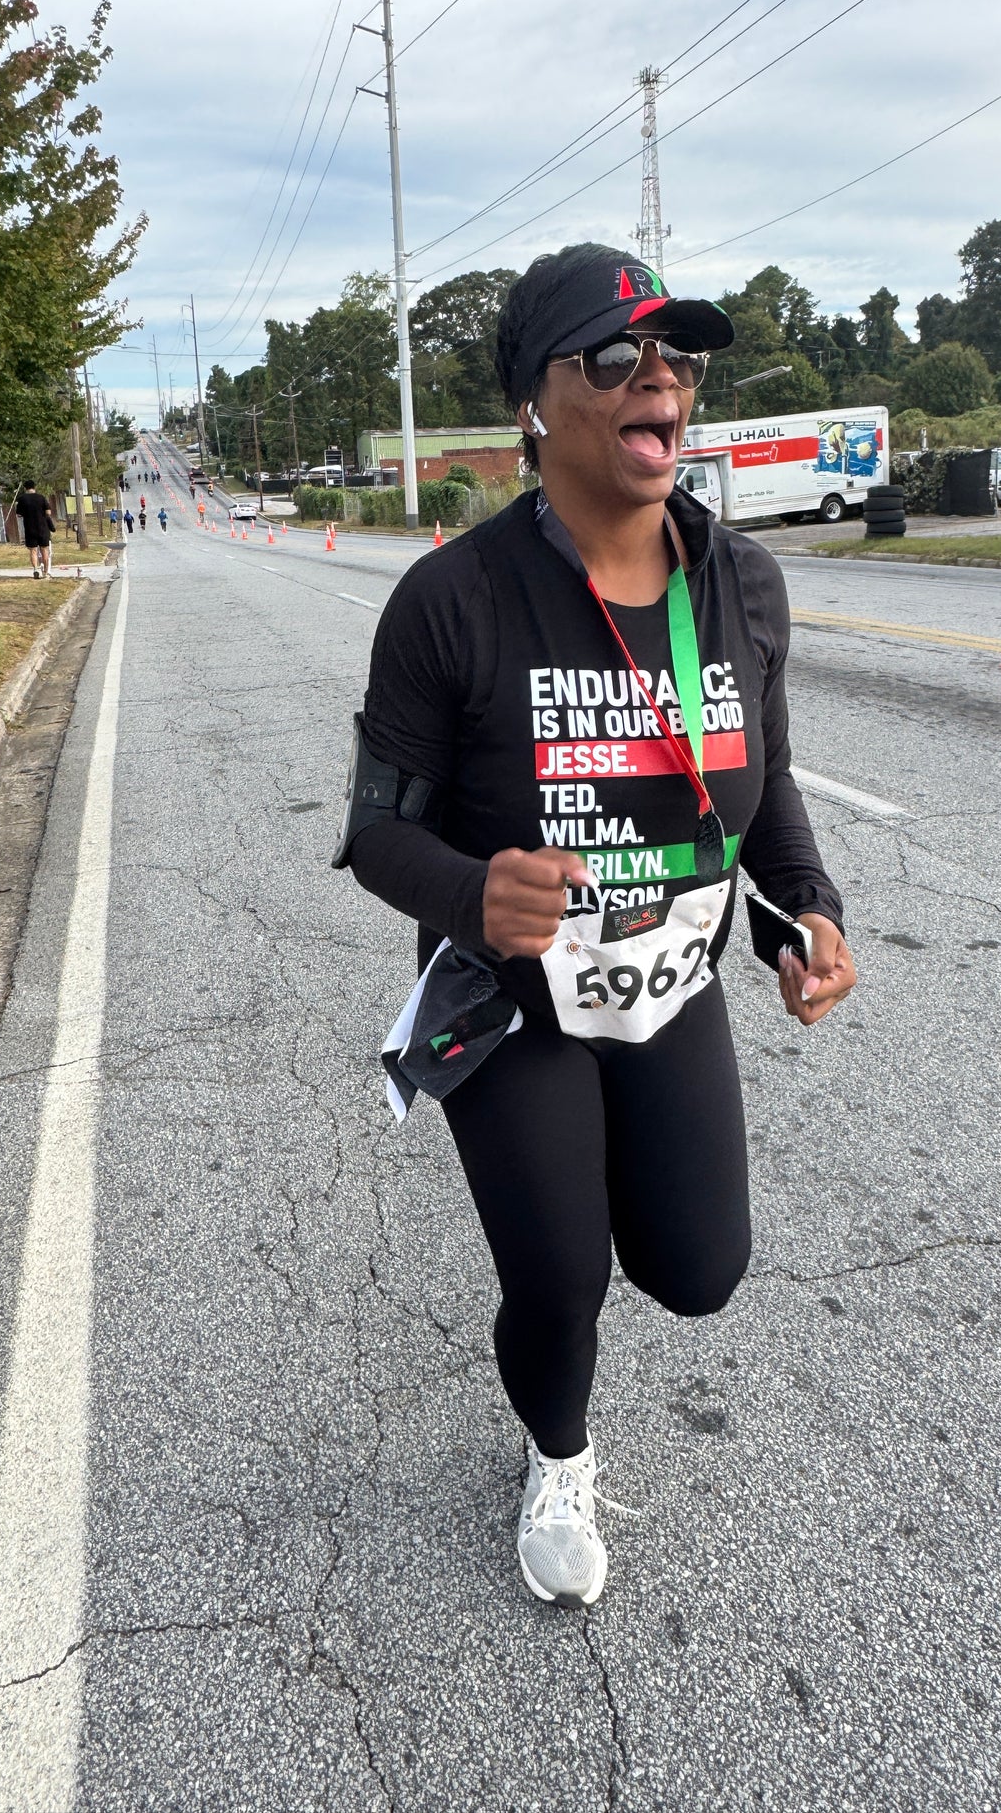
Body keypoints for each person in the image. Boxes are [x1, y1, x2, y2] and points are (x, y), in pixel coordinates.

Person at [337, 245, 856, 1610]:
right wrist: (469, 889)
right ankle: (554, 1450)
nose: (661, 379)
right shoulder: (452, 600)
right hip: (515, 996)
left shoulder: (739, 583)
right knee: (561, 1273)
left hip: (668, 982)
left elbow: (764, 778)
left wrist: (804, 911)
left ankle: (584, 1340)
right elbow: (374, 830)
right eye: (616, 357)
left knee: (697, 1270)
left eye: (677, 357)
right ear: (537, 401)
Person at [15, 478, 55, 578]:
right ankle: (45, 572)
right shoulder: (41, 497)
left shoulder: (22, 499)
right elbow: (48, 512)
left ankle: (35, 569)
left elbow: (18, 514)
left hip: (29, 528)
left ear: (25, 488)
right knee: (44, 550)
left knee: (33, 550)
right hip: (43, 527)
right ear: (34, 487)